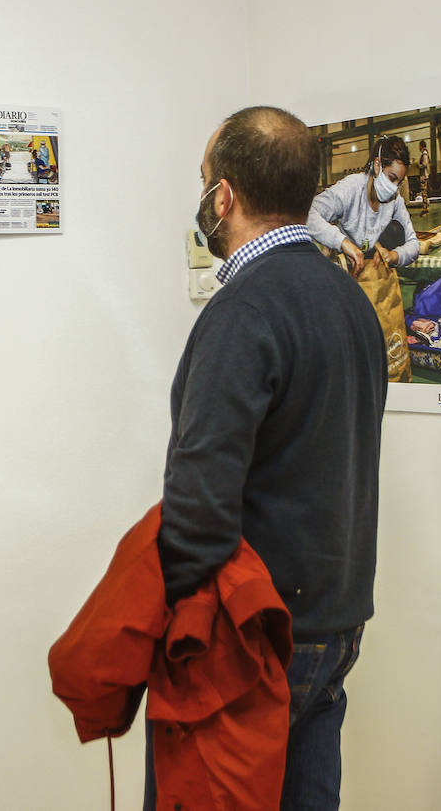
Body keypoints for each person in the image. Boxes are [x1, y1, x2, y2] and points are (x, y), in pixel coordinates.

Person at [152, 107, 387, 811]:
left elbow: (198, 496)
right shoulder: (349, 301)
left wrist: (180, 639)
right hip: (336, 622)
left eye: (203, 184)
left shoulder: (242, 313)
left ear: (223, 196)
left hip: (257, 632)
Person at [307, 135, 420, 274]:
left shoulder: (395, 199)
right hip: (345, 270)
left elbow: (414, 244)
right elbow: (308, 214)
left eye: (399, 182)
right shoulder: (351, 188)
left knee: (396, 229)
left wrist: (394, 256)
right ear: (377, 165)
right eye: (391, 178)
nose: (394, 188)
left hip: (373, 272)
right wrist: (342, 242)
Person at [417, 140, 432, 213]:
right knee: (424, 192)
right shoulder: (425, 153)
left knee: (424, 192)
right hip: (424, 175)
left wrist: (419, 166)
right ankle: (425, 206)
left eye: (419, 146)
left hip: (424, 175)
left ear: (421, 146)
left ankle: (425, 208)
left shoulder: (424, 154)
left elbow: (425, 164)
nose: (418, 148)